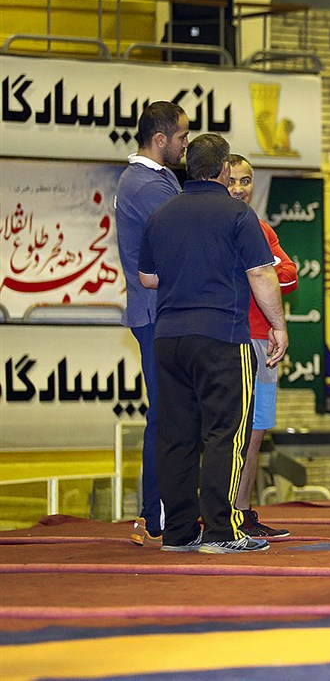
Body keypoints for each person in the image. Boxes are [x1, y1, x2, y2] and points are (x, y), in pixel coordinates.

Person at [138, 133, 288, 554]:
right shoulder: (238, 214)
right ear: (224, 169)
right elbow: (262, 273)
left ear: (189, 168)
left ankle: (180, 533)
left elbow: (147, 278)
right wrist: (278, 325)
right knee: (226, 433)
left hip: (169, 339)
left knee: (177, 436)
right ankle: (222, 531)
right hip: (221, 337)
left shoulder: (161, 215)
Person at [114, 101, 189, 547]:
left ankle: (166, 510)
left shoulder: (158, 178)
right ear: (160, 139)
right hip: (157, 314)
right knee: (165, 412)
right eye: (181, 137)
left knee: (177, 412)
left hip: (166, 312)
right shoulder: (144, 185)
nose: (185, 144)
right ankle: (154, 514)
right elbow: (187, 234)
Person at [224, 154, 298, 539]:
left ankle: (242, 513)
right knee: (225, 434)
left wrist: (261, 269)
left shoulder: (262, 229)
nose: (239, 189)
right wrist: (260, 271)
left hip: (262, 342)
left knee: (255, 434)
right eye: (232, 180)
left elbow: (290, 275)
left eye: (246, 180)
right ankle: (219, 516)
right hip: (228, 339)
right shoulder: (213, 227)